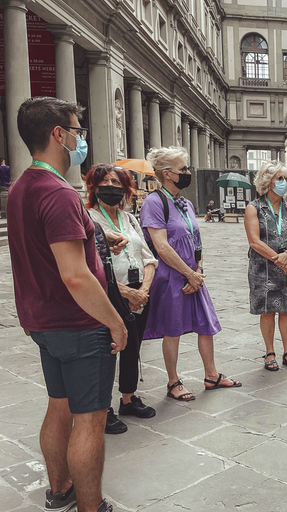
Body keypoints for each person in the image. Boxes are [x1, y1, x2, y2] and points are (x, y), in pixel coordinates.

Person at [8, 96, 127, 512]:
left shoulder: (22, 186)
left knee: (59, 406)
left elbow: (29, 254)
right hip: (80, 325)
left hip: (43, 321)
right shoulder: (59, 193)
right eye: (78, 131)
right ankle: (91, 507)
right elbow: (74, 275)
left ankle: (60, 490)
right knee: (91, 418)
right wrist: (115, 322)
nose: (81, 140)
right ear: (59, 134)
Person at [141, 146, 240, 402]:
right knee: (172, 330)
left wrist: (198, 270)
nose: (187, 173)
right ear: (166, 174)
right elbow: (161, 246)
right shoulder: (154, 203)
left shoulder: (184, 202)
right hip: (171, 276)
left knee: (205, 325)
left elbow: (196, 239)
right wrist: (188, 274)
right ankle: (173, 381)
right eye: (182, 169)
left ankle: (211, 374)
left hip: (194, 275)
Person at [85, 164, 158, 434]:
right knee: (108, 350)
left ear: (126, 188)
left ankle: (128, 398)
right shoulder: (88, 218)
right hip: (108, 292)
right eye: (105, 182)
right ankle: (102, 409)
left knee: (133, 347)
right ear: (93, 187)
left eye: (116, 182)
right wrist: (125, 293)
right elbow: (90, 266)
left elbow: (148, 258)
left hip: (139, 291)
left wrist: (142, 292)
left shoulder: (130, 219)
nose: (111, 187)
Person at [244, 161, 287, 371]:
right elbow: (254, 241)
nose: (284, 183)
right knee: (267, 311)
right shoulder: (253, 208)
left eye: (286, 179)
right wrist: (278, 260)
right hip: (263, 268)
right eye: (280, 179)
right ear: (268, 182)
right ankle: (270, 351)